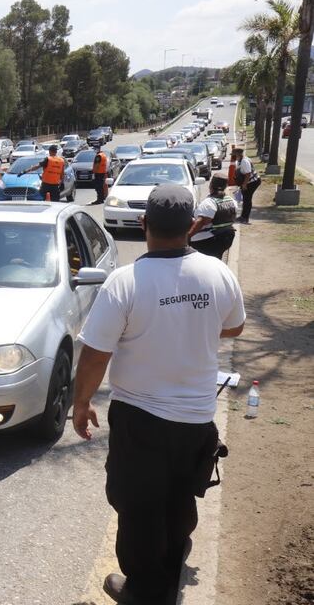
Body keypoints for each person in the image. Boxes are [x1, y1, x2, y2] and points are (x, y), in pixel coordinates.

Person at [72, 183, 246, 605]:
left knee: (138, 506)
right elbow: (234, 326)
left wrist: (81, 404)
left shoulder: (125, 282)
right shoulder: (217, 273)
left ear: (144, 223)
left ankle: (144, 590)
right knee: (179, 498)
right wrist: (196, 322)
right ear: (190, 226)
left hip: (141, 419)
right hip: (197, 418)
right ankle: (169, 572)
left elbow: (95, 355)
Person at [188, 175, 237, 259]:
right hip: (226, 238)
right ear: (225, 186)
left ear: (210, 185)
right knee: (216, 259)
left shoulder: (209, 203)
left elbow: (202, 222)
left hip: (206, 241)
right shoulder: (232, 201)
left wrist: (187, 237)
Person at [232, 148, 260, 223]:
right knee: (245, 199)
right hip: (248, 182)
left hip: (252, 182)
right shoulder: (241, 160)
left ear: (238, 154)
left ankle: (245, 218)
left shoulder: (244, 161)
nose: (234, 157)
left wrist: (244, 184)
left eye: (234, 155)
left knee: (247, 199)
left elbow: (248, 174)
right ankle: (243, 216)